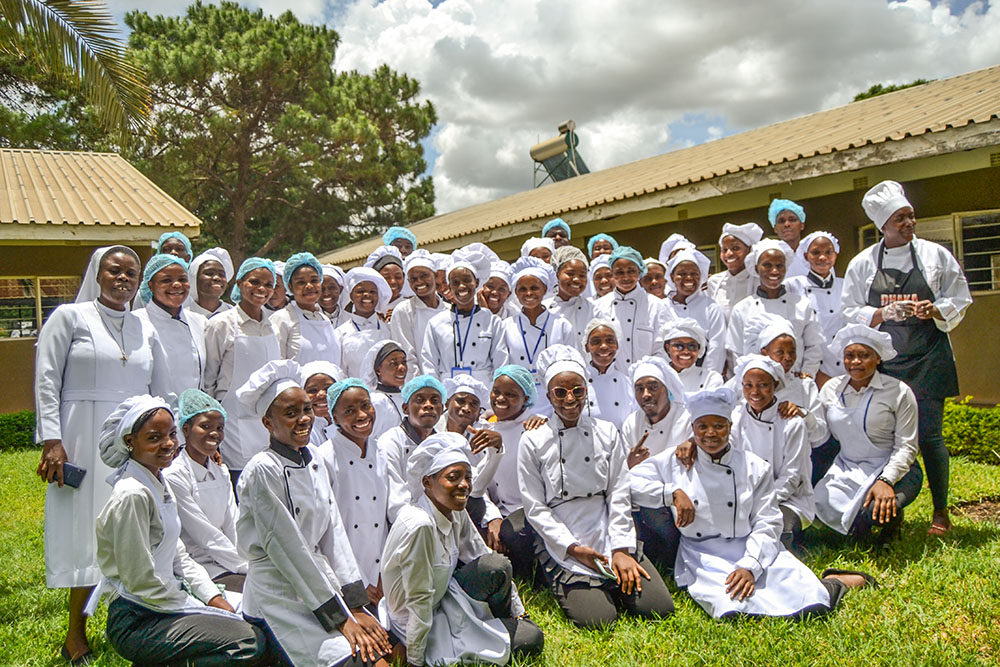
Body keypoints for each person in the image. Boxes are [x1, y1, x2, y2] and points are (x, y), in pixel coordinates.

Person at [35, 245, 172, 663]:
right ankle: (75, 633)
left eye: (132, 272)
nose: (123, 278)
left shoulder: (145, 328)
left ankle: (137, 621)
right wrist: (52, 440)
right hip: (79, 438)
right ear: (97, 274)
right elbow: (46, 379)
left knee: (132, 528)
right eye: (115, 270)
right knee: (83, 531)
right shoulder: (68, 317)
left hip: (134, 443)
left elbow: (161, 391)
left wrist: (167, 442)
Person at [630, 388, 874, 620]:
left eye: (719, 426)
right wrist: (670, 492)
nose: (711, 434)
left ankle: (837, 581)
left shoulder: (755, 467)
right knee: (732, 610)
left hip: (751, 546)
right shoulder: (676, 460)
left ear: (730, 427)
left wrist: (751, 566)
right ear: (692, 430)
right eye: (702, 426)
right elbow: (630, 482)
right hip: (702, 554)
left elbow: (767, 522)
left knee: (812, 603)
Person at [235, 361, 392, 667]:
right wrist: (339, 618)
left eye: (306, 410)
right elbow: (288, 549)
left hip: (318, 584)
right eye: (290, 413)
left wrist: (356, 604)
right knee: (358, 660)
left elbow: (334, 530)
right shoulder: (262, 470)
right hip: (278, 593)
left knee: (377, 657)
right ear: (268, 422)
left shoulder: (313, 458)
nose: (304, 419)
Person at [94, 395, 266, 666]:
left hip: (164, 603)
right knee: (248, 642)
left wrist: (213, 598)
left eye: (171, 434)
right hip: (140, 618)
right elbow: (140, 580)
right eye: (154, 437)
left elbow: (180, 557)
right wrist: (194, 605)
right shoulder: (133, 494)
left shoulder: (157, 482)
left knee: (257, 621)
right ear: (130, 442)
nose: (169, 444)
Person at [842, 180, 972, 536]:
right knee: (887, 439)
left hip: (928, 358)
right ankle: (887, 504)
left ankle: (941, 511)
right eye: (900, 218)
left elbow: (959, 296)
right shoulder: (863, 264)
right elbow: (847, 310)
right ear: (882, 226)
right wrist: (883, 314)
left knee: (930, 436)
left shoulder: (935, 255)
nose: (909, 223)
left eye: (910, 216)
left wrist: (936, 309)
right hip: (885, 365)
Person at [518, 345, 674, 628]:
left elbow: (617, 493)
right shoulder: (532, 440)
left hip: (606, 523)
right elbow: (535, 507)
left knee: (657, 608)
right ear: (549, 395)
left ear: (586, 391)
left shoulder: (606, 432)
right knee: (599, 620)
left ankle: (613, 575)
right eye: (560, 392)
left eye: (577, 390)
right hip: (564, 532)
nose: (570, 399)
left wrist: (621, 550)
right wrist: (573, 548)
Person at [380, 432, 544, 667]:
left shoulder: (455, 510)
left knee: (496, 566)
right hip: (416, 624)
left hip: (444, 602)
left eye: (468, 476)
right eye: (454, 477)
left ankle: (500, 622)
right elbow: (418, 601)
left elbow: (483, 556)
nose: (464, 485)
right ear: (427, 482)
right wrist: (416, 660)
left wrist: (520, 613)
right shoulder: (419, 525)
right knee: (531, 638)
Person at [814, 325, 924, 542]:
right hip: (847, 467)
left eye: (864, 355)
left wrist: (886, 481)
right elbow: (819, 432)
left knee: (872, 511)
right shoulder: (830, 389)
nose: (856, 362)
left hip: (896, 468)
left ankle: (891, 523)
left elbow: (907, 447)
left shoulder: (898, 391)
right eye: (849, 356)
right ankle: (859, 525)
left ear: (878, 358)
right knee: (820, 501)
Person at [203, 257, 281, 485]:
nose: (261, 289)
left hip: (267, 423)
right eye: (254, 282)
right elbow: (208, 380)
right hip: (232, 423)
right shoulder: (221, 324)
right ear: (239, 283)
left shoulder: (273, 325)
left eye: (268, 285)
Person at [163, 389, 247, 592]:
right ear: (186, 429)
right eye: (205, 426)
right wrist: (244, 566)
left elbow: (232, 522)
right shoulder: (174, 475)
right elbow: (205, 536)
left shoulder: (221, 471)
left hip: (230, 560)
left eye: (220, 427)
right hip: (199, 566)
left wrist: (246, 560)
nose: (214, 433)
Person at [317, 378, 390, 606]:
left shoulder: (380, 451)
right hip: (345, 576)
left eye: (365, 405)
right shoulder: (324, 458)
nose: (361, 415)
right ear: (334, 417)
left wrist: (382, 574)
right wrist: (358, 581)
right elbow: (328, 530)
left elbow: (388, 516)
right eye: (349, 411)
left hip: (383, 575)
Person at [730, 355, 815, 548]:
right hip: (745, 495)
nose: (755, 392)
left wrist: (761, 502)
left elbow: (791, 477)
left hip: (788, 499)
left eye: (762, 385)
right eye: (748, 385)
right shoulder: (736, 417)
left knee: (778, 532)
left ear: (775, 385)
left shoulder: (792, 423)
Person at [726, 239, 824, 377]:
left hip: (795, 382)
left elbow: (813, 346)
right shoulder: (742, 309)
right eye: (767, 265)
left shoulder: (802, 305)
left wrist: (807, 373)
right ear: (756, 268)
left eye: (779, 265)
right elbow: (736, 353)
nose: (774, 270)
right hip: (756, 387)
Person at [420, 243, 509, 385]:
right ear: (449, 287)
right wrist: (439, 395)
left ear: (477, 282)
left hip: (484, 393)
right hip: (448, 391)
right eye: (455, 282)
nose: (461, 286)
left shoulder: (492, 321)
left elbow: (501, 363)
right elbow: (429, 364)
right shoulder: (436, 323)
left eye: (467, 280)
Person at [744, 314, 831, 456]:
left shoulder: (805, 385)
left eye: (792, 352)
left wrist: (801, 413)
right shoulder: (744, 384)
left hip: (795, 465)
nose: (788, 358)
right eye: (780, 352)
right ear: (764, 352)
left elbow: (820, 435)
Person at [501, 257, 574, 414]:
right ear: (515, 292)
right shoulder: (506, 326)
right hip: (519, 400)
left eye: (534, 288)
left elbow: (571, 365)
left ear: (545, 289)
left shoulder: (562, 325)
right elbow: (502, 367)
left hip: (555, 399)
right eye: (522, 289)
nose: (528, 293)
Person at [135, 253, 208, 399]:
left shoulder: (200, 322)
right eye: (166, 280)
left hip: (194, 413)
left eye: (182, 279)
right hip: (153, 413)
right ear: (150, 285)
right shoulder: (136, 321)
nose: (176, 285)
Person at [379, 375, 447, 522]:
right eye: (419, 400)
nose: (428, 405)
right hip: (407, 524)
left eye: (435, 401)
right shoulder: (390, 441)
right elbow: (395, 501)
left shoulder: (444, 443)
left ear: (442, 409)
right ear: (405, 408)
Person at [595, 246, 671, 372]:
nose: (625, 277)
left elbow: (663, 347)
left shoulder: (657, 306)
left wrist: (647, 374)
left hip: (647, 379)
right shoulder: (599, 306)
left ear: (640, 272)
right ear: (612, 274)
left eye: (631, 271)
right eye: (619, 272)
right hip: (612, 380)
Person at [786, 231, 845, 385]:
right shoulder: (793, 285)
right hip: (811, 369)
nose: (823, 258)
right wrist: (814, 370)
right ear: (806, 256)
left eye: (828, 252)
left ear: (835, 255)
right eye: (816, 252)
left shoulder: (845, 285)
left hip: (845, 367)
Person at [270, 252, 342, 366]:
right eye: (301, 282)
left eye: (314, 280)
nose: (309, 286)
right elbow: (275, 365)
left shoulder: (324, 319)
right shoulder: (281, 319)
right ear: (290, 287)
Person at [662, 249, 726, 374]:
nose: (689, 278)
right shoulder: (662, 306)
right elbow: (659, 345)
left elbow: (716, 347)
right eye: (682, 273)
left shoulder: (711, 307)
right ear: (672, 277)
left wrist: (706, 379)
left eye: (694, 273)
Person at [621, 356, 689, 468]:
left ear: (667, 390)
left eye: (653, 387)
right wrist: (630, 463)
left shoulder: (687, 419)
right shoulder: (631, 423)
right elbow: (624, 473)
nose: (645, 395)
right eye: (639, 389)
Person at [390, 250, 449, 372]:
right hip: (423, 385)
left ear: (435, 275)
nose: (419, 282)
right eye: (413, 279)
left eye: (424, 276)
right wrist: (420, 388)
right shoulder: (404, 311)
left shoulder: (450, 310)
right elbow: (407, 357)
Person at [333, 267, 392, 378]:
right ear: (351, 296)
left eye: (372, 291)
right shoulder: (340, 334)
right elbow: (339, 372)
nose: (367, 295)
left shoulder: (389, 329)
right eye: (360, 291)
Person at [582, 318, 636, 429]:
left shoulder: (627, 383)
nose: (604, 346)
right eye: (596, 342)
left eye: (610, 341)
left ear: (617, 345)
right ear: (587, 347)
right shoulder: (579, 381)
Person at [706, 222, 764, 321]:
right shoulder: (713, 282)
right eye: (724, 250)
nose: (729, 254)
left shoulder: (759, 281)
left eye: (735, 248)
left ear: (749, 250)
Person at [657, 318, 724, 394]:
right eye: (679, 346)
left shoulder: (710, 378)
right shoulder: (658, 377)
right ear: (667, 348)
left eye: (692, 346)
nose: (686, 352)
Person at [546, 245, 594, 350]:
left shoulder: (594, 310)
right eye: (570, 274)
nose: (577, 279)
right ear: (557, 274)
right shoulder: (544, 309)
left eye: (582, 275)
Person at [360, 339, 409, 424]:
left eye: (404, 362)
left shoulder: (407, 397)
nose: (402, 368)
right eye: (394, 363)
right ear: (378, 370)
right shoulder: (377, 401)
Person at [300, 360, 345, 448]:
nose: (321, 394)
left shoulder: (349, 423)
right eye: (312, 390)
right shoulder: (302, 431)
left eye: (328, 389)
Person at [186, 247, 235, 319]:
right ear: (194, 278)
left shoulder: (236, 316)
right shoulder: (183, 317)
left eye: (221, 274)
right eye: (209, 273)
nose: (217, 278)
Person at [768, 199, 810, 278]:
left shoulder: (813, 255)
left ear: (802, 225)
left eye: (792, 220)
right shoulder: (769, 258)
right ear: (775, 228)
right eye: (781, 221)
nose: (787, 224)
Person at [366, 246, 408, 313]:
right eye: (386, 278)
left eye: (398, 277)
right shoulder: (366, 309)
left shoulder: (411, 308)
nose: (393, 282)